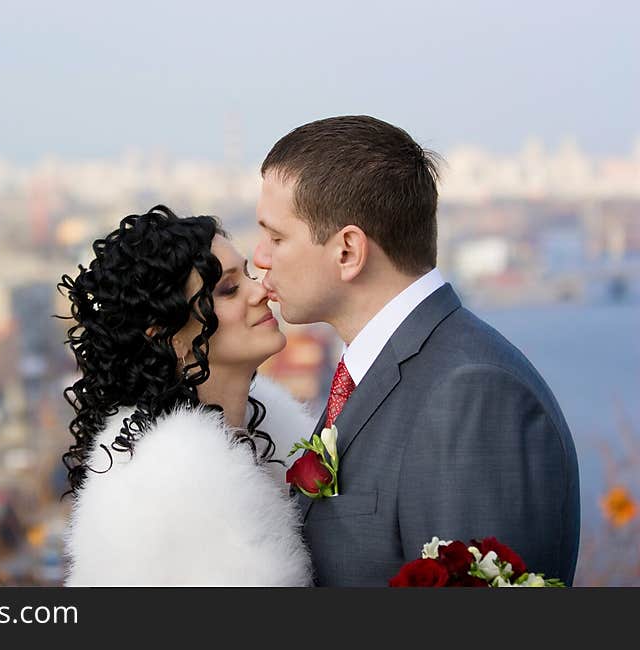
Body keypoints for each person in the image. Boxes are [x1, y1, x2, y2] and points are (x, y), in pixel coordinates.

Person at [252, 115, 581, 586]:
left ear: (348, 251)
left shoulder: (471, 395)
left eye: (277, 237)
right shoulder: (380, 374)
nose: (260, 257)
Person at [58, 205, 314, 586]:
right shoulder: (175, 481)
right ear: (168, 336)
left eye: (246, 274)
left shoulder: (262, 440)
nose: (261, 290)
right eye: (228, 289)